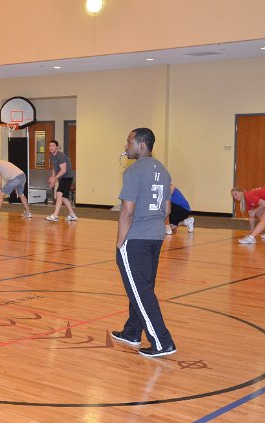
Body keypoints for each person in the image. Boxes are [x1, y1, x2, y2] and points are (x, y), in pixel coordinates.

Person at [112, 128, 176, 358]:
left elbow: (127, 212)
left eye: (129, 142)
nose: (126, 146)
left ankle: (162, 342)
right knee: (142, 287)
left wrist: (120, 244)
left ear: (141, 145)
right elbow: (167, 210)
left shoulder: (133, 171)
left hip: (136, 238)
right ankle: (132, 332)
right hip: (156, 236)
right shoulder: (163, 170)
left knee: (140, 290)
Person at [0, 155, 32, 220]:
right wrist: (16, 186)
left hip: (15, 178)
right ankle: (28, 212)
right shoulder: (4, 162)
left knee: (1, 194)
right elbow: (13, 174)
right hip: (22, 176)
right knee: (21, 194)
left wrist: (0, 188)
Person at [46, 140, 78, 222]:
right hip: (62, 178)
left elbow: (63, 170)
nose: (51, 147)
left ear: (56, 147)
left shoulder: (60, 156)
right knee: (63, 197)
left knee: (59, 194)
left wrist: (54, 179)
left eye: (53, 145)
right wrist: (52, 176)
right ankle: (72, 215)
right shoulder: (52, 156)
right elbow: (55, 168)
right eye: (50, 146)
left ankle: (55, 215)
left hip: (67, 177)